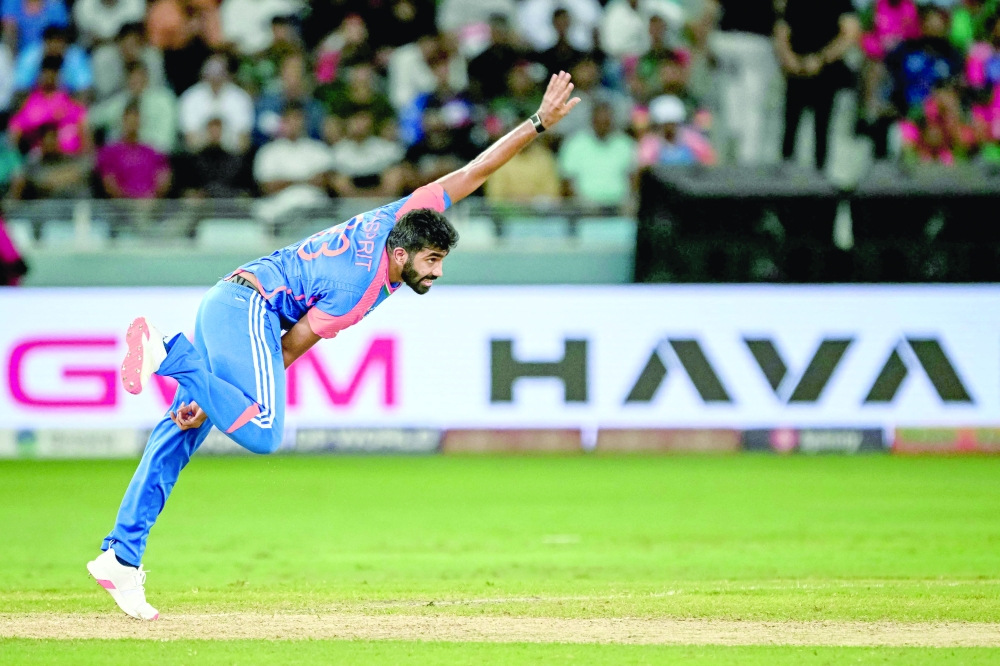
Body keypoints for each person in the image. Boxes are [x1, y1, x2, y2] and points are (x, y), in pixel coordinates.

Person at [86, 71, 582, 622]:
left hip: (229, 300)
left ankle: (121, 557)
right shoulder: (357, 292)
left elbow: (474, 171)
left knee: (175, 438)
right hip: (249, 309)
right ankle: (167, 353)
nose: (437, 273)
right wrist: (208, 383)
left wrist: (537, 124)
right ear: (401, 256)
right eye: (432, 262)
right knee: (263, 432)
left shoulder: (403, 215)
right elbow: (287, 348)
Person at [775, 0, 860, 171]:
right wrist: (789, 59)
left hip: (827, 73)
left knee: (823, 126)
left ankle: (821, 171)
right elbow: (782, 30)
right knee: (790, 124)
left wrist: (821, 59)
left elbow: (850, 33)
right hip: (797, 71)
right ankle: (786, 169)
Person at [89, 62, 178, 153]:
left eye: (139, 77)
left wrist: (144, 153)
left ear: (146, 78)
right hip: (120, 155)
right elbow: (90, 119)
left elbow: (166, 140)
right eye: (132, 78)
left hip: (154, 155)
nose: (136, 81)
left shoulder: (163, 100)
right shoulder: (119, 102)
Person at [558, 102, 636, 205]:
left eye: (606, 122)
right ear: (592, 120)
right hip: (583, 208)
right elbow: (566, 180)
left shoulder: (625, 144)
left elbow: (633, 178)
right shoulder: (575, 144)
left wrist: (629, 202)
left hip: (618, 207)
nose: (602, 125)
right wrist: (580, 203)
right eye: (599, 121)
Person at [8, 55, 88, 154]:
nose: (49, 76)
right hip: (40, 158)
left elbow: (82, 122)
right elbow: (16, 127)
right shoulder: (32, 103)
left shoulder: (67, 100)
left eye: (53, 72)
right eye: (46, 72)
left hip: (70, 156)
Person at [178, 55, 254, 153]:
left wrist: (221, 140)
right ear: (203, 74)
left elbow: (244, 142)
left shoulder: (240, 98)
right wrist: (210, 140)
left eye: (219, 71)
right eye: (212, 71)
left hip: (232, 155)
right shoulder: (190, 97)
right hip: (199, 155)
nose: (215, 76)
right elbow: (189, 140)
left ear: (228, 74)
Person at [96, 103, 172, 198]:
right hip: (121, 204)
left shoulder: (153, 152)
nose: (132, 123)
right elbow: (109, 183)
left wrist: (150, 197)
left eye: (135, 119)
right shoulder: (109, 153)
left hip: (150, 203)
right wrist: (132, 199)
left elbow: (163, 178)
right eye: (129, 119)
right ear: (122, 121)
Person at [14, 25, 92, 94]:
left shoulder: (75, 55)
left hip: (67, 99)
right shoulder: (31, 55)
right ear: (45, 42)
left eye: (59, 42)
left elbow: (84, 86)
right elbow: (21, 85)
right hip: (35, 98)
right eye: (52, 42)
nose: (56, 46)